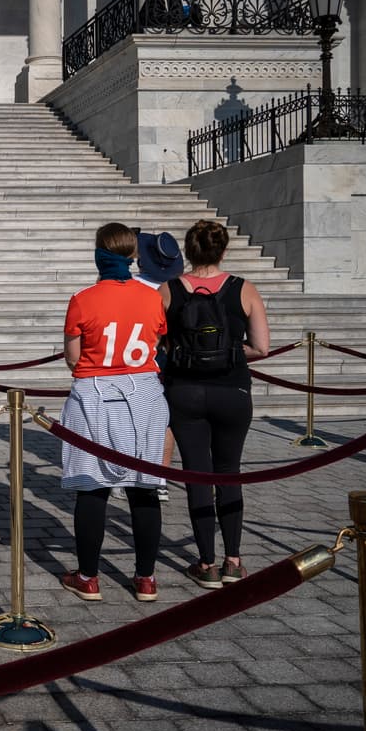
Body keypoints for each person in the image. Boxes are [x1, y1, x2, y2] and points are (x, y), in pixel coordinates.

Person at [59, 223, 168, 603]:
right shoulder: (152, 296)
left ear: (99, 253)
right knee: (145, 489)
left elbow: (73, 357)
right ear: (132, 254)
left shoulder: (83, 298)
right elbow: (156, 339)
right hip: (144, 395)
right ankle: (146, 578)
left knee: (92, 489)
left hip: (95, 394)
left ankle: (89, 576)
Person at [159, 220, 270, 589]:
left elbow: (156, 342)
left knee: (198, 476)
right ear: (223, 251)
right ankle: (233, 560)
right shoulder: (244, 289)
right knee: (229, 472)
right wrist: (228, 353)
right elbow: (262, 347)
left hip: (185, 390)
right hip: (232, 390)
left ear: (187, 251)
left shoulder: (168, 289)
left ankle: (206, 563)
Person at [134, 230, 186, 503]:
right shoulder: (178, 287)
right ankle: (160, 479)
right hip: (169, 357)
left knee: (133, 419)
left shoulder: (131, 285)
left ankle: (131, 473)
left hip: (138, 359)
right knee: (165, 421)